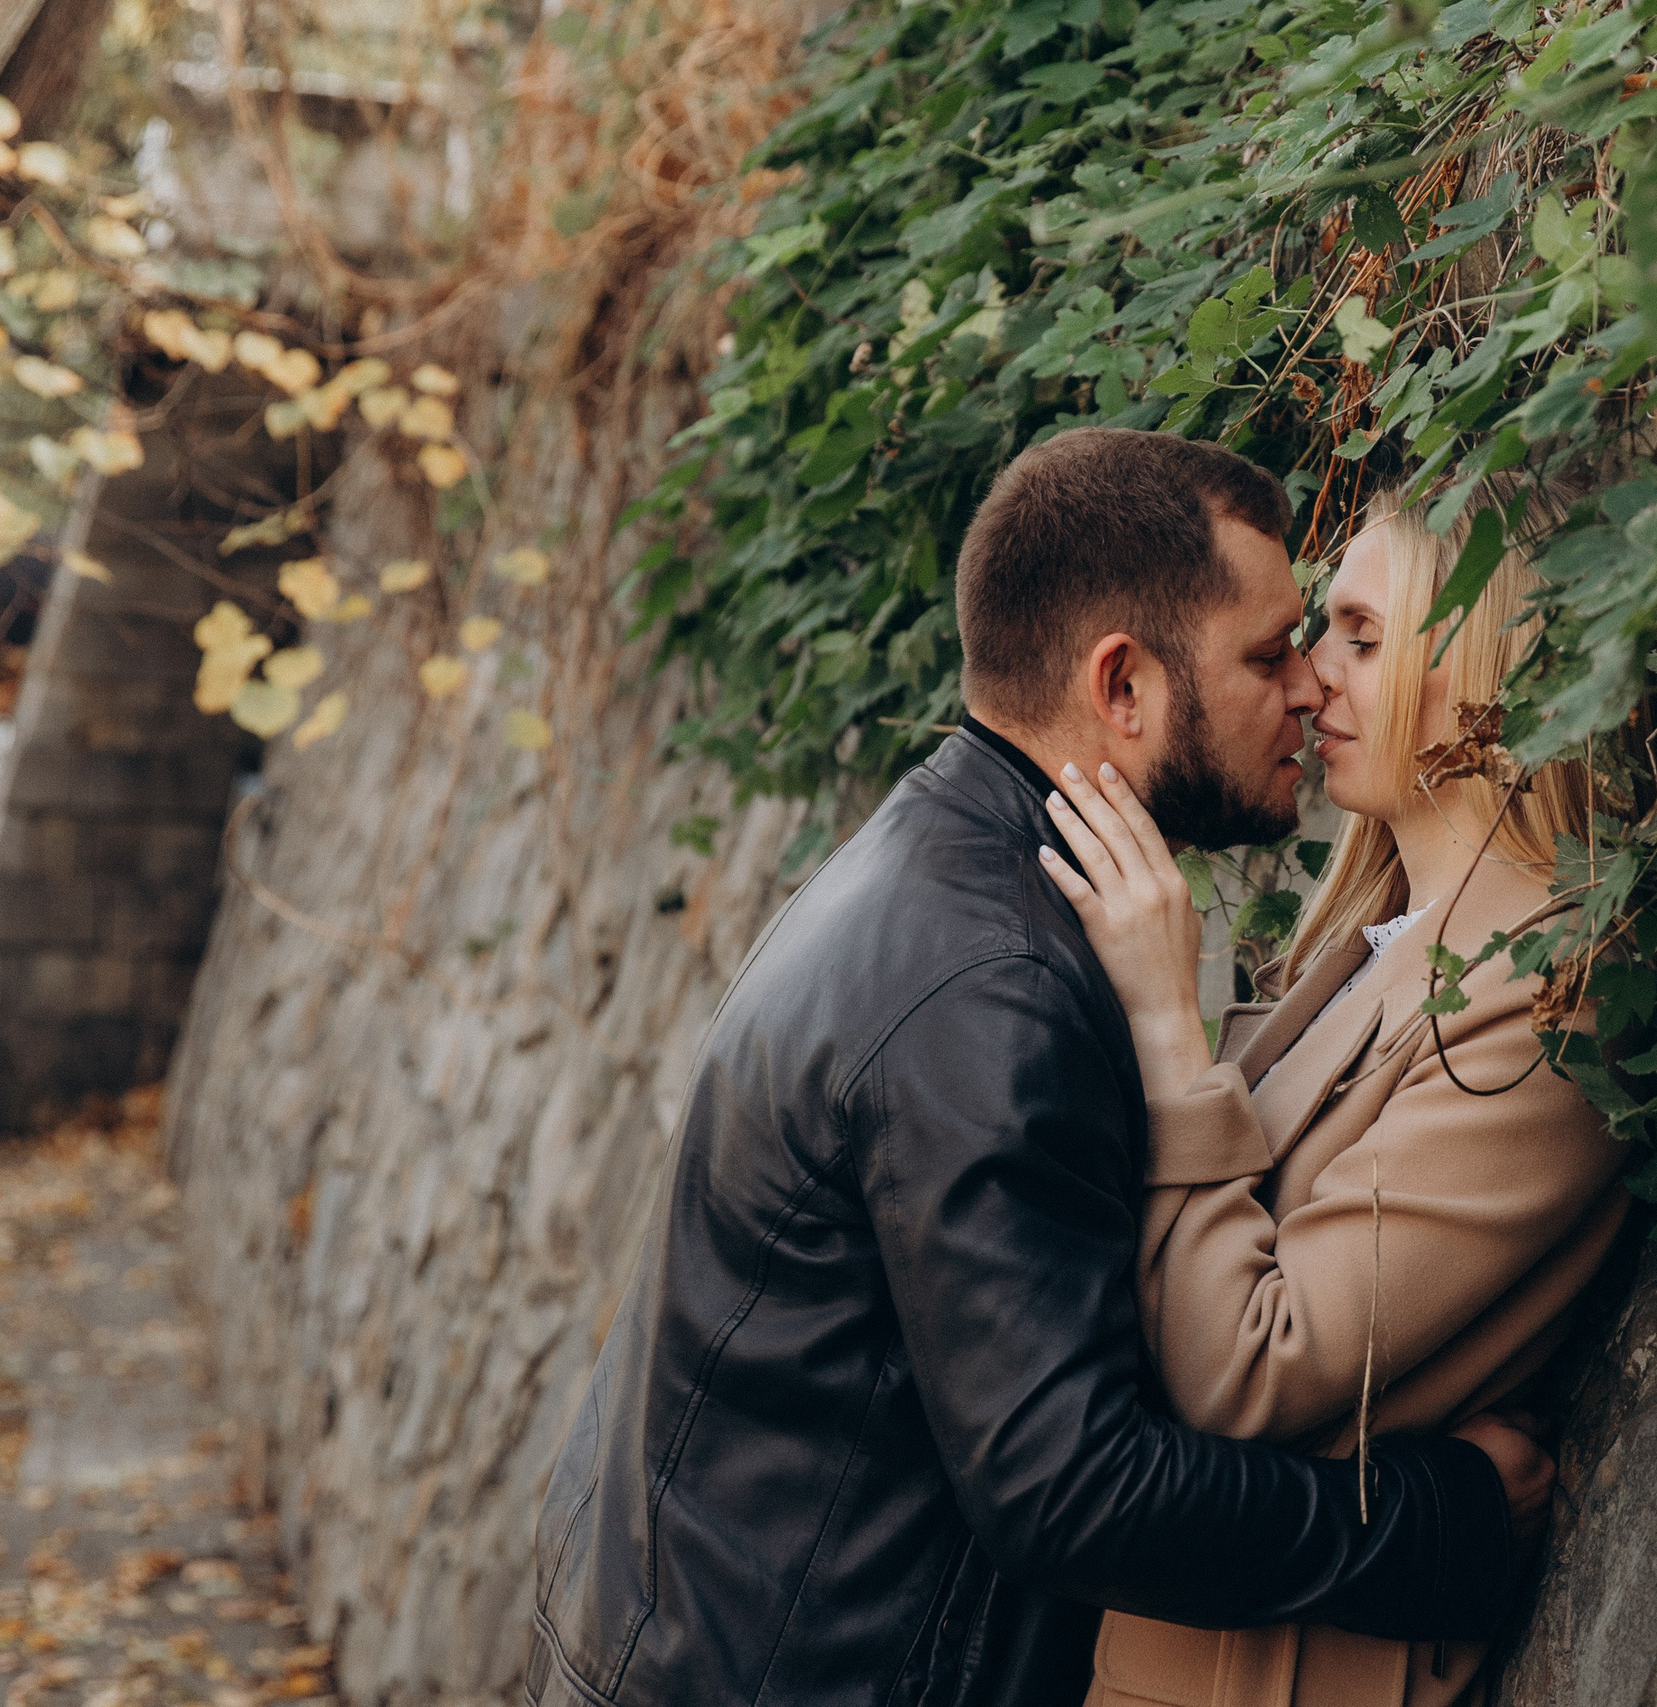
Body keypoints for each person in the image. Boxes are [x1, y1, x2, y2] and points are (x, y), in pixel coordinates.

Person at [524, 430, 1555, 1707]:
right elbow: (1072, 1490)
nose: (1302, 686)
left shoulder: (934, 868)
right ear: (1122, 686)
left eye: (1336, 639)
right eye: (1268, 651)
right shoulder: (994, 985)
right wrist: (1439, 1526)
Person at [1035, 479, 1631, 1707]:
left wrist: (1164, 1023)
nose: (1311, 678)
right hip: (1169, 1652)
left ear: (1480, 656)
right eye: (1321, 634)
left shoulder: (1546, 986)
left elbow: (1248, 1372)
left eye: (1362, 636)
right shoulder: (1369, 940)